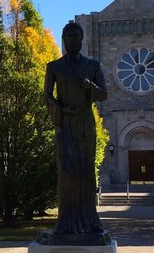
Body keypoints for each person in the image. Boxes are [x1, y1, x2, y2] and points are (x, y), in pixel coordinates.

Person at [44, 22, 107, 234]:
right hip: (65, 124)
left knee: (86, 171)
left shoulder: (93, 66)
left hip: (85, 124)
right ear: (64, 39)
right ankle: (65, 221)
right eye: (68, 36)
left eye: (76, 36)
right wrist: (61, 109)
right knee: (67, 171)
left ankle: (90, 221)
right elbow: (47, 95)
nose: (72, 40)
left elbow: (104, 94)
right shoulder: (54, 67)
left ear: (82, 39)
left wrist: (91, 87)